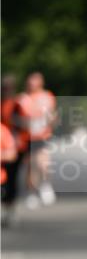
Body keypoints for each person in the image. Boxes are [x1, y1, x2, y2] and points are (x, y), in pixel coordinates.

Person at [14, 72, 58, 208]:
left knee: (43, 162)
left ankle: (45, 186)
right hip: (27, 136)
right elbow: (14, 118)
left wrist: (51, 121)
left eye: (35, 81)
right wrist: (23, 124)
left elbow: (53, 115)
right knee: (31, 166)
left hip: (42, 135)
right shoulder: (22, 99)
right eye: (31, 81)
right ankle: (31, 193)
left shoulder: (47, 96)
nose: (32, 84)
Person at [1, 75, 22, 224]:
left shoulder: (16, 103)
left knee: (12, 179)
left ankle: (10, 208)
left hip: (12, 143)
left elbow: (22, 123)